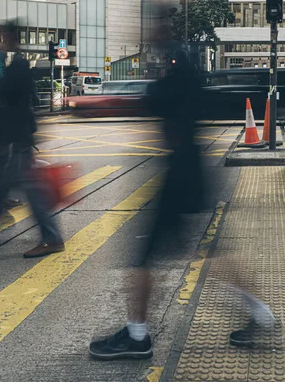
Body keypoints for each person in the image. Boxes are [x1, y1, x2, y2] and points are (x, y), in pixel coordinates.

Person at [89, 48, 205, 360]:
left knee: (145, 256)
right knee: (202, 255)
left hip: (179, 172)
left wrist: (157, 77)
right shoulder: (186, 67)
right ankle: (261, 313)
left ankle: (137, 335)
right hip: (186, 168)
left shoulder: (175, 71)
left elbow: (158, 100)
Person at [0, 21, 64, 258]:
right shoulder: (15, 65)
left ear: (10, 37)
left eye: (3, 36)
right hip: (16, 136)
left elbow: (0, 94)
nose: (0, 41)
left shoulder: (18, 66)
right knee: (2, 186)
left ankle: (51, 237)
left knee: (26, 189)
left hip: (18, 137)